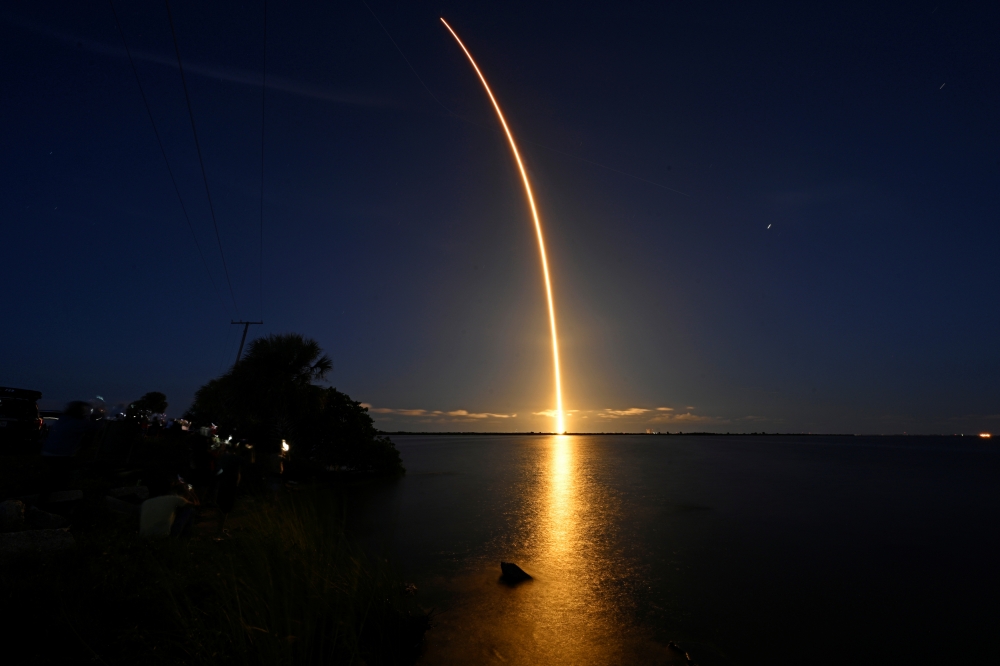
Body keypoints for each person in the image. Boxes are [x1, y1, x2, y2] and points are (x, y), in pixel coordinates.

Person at [39, 401, 97, 507]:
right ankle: (55, 503)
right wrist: (99, 415)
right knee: (60, 478)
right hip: (61, 454)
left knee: (54, 476)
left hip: (47, 452)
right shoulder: (79, 422)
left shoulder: (63, 419)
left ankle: (46, 499)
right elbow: (96, 426)